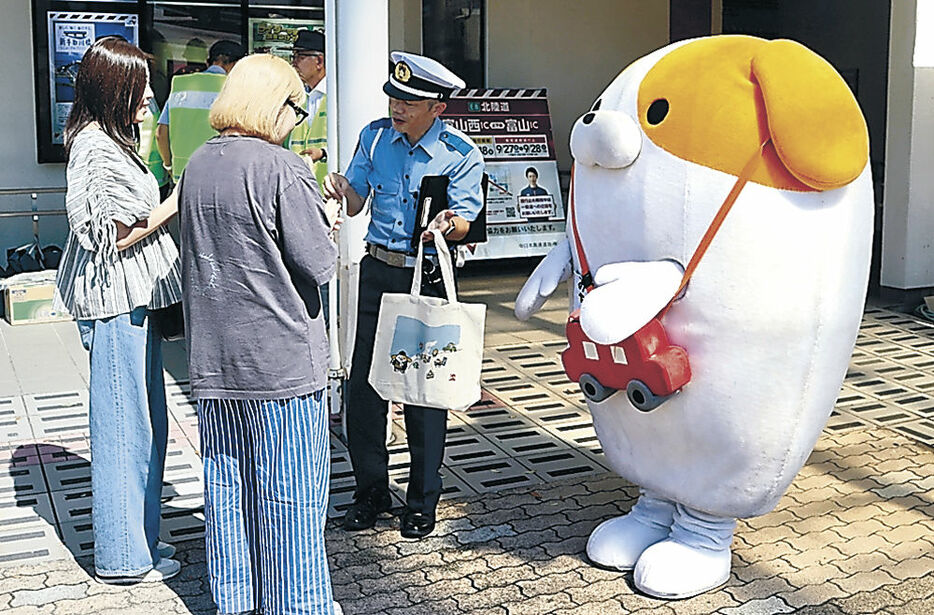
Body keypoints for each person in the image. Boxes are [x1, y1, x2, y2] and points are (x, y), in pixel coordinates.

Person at [178, 53, 341, 615]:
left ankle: (236, 599)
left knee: (225, 489)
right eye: (296, 106)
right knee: (291, 494)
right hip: (280, 359)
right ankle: (298, 604)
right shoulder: (281, 168)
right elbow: (319, 264)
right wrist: (329, 226)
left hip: (214, 358)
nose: (298, 118)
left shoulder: (197, 163)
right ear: (276, 105)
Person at [323, 51, 484, 539]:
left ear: (437, 108)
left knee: (421, 391)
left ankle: (421, 500)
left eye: (410, 101)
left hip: (426, 276)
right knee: (365, 389)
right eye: (394, 96)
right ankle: (370, 491)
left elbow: (467, 220)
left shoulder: (460, 154)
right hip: (377, 270)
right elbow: (355, 204)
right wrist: (338, 189)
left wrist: (447, 226)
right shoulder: (374, 137)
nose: (398, 106)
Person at [53, 36, 183, 584]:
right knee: (125, 428)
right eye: (140, 91)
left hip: (133, 301)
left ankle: (140, 543)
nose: (149, 100)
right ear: (113, 92)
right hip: (115, 306)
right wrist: (178, 200)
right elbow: (113, 233)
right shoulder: (95, 148)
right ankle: (124, 558)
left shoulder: (111, 139)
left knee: (144, 423)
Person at [155, 39, 244, 184]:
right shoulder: (237, 90)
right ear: (235, 65)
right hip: (220, 178)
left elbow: (160, 133)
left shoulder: (180, 84)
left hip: (182, 177)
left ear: (208, 62)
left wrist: (169, 166)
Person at [288, 29, 329, 188]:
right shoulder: (298, 98)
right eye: (294, 57)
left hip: (330, 192)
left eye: (301, 57)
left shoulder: (337, 97)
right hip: (299, 189)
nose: (294, 63)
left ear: (319, 61)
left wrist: (323, 153)